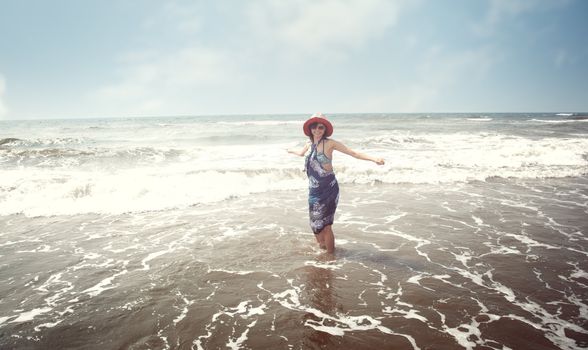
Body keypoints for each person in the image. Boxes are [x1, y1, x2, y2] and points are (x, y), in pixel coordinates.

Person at [287, 113, 385, 254]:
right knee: (315, 224)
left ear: (325, 129)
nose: (317, 130)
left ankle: (330, 256)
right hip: (314, 190)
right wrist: (291, 151)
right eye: (314, 127)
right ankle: (322, 248)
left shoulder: (330, 143)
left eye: (320, 127)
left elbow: (353, 153)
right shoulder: (309, 144)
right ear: (310, 129)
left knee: (326, 225)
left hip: (329, 189)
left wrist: (374, 159)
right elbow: (302, 153)